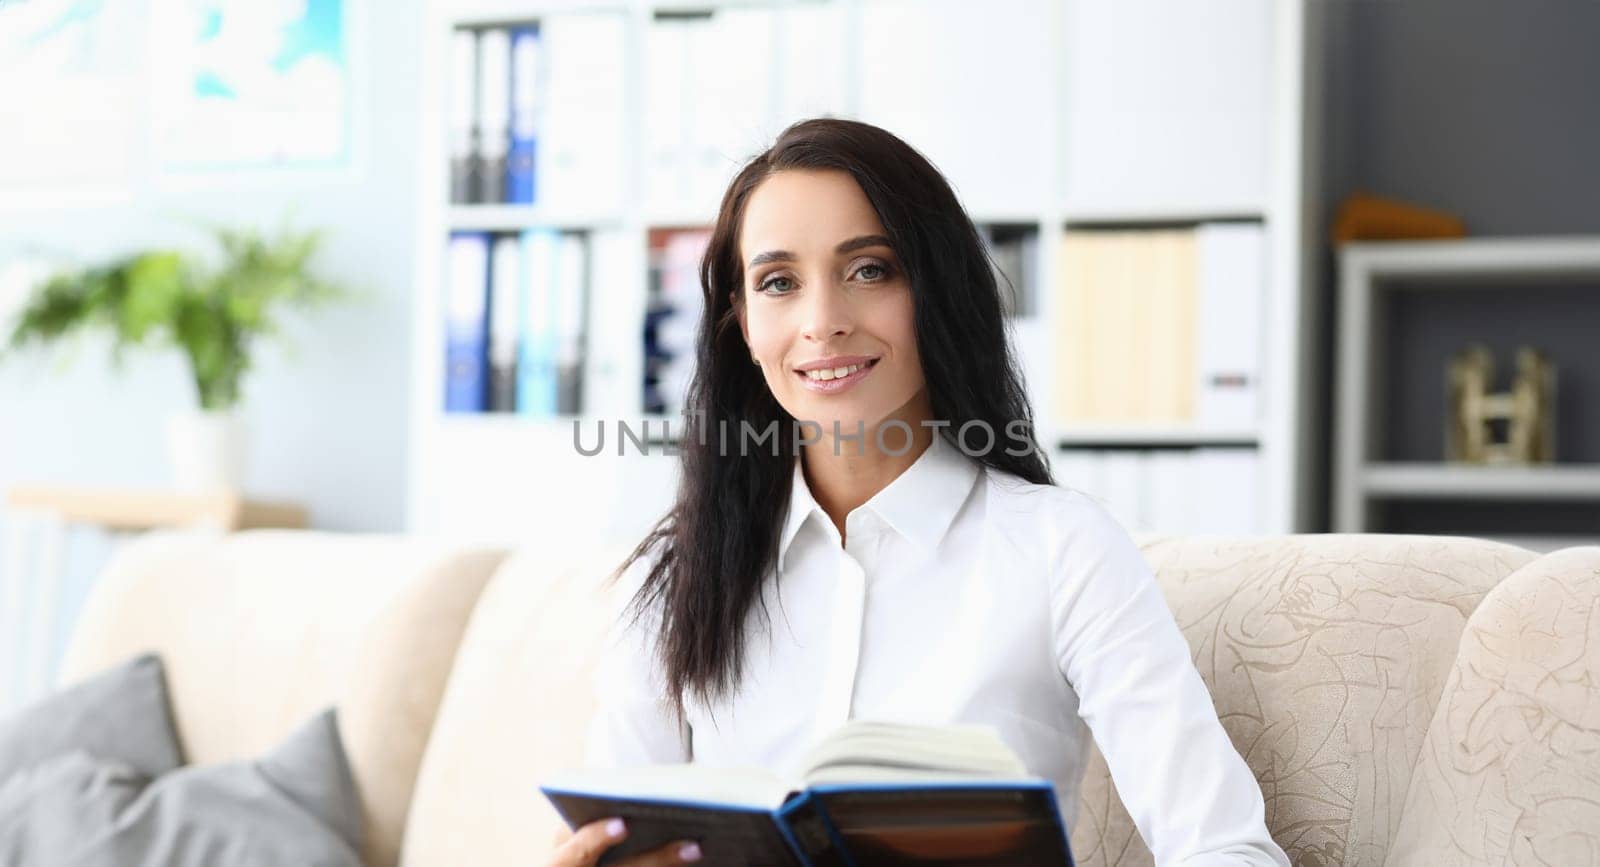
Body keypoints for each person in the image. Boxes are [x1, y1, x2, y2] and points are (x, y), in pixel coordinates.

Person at [544, 118, 1289, 866]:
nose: (823, 323)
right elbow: (614, 832)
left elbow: (1226, 849)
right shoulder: (676, 574)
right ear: (741, 322)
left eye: (869, 270)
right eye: (778, 283)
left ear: (935, 289)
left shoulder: (1062, 549)